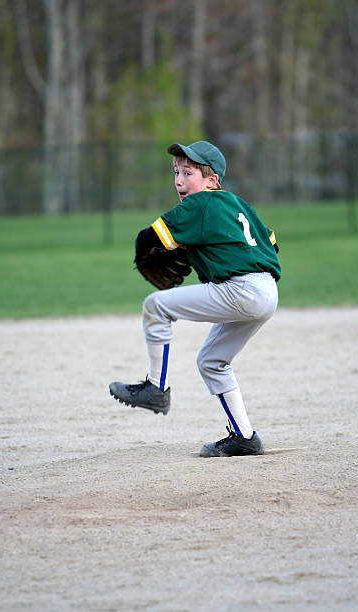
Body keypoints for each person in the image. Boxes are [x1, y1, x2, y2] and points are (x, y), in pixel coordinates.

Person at [109, 140, 281, 457]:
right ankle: (245, 437)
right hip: (267, 291)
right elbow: (271, 242)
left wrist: (151, 246)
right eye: (176, 172)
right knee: (211, 362)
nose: (178, 180)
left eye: (188, 173)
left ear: (211, 180)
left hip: (239, 289)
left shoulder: (199, 205)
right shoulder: (237, 204)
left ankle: (155, 389)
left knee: (155, 305)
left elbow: (150, 237)